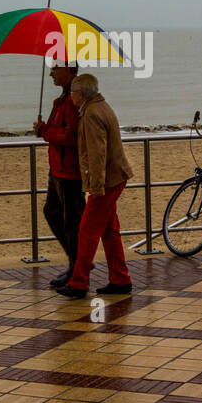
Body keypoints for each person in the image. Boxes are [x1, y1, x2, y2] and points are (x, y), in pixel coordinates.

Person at [56, 74, 134, 299]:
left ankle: (79, 282)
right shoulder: (102, 106)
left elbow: (97, 154)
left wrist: (95, 186)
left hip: (107, 181)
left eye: (72, 92)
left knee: (87, 231)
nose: (70, 97)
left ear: (80, 93)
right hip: (116, 177)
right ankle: (120, 278)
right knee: (109, 231)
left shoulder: (90, 114)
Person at [34, 62, 84, 288]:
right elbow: (58, 130)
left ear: (70, 70)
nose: (51, 72)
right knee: (53, 212)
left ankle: (77, 267)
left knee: (72, 221)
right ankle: (76, 262)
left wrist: (45, 131)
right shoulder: (61, 100)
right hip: (57, 169)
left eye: (56, 67)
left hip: (69, 172)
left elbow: (72, 136)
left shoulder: (74, 101)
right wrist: (44, 129)